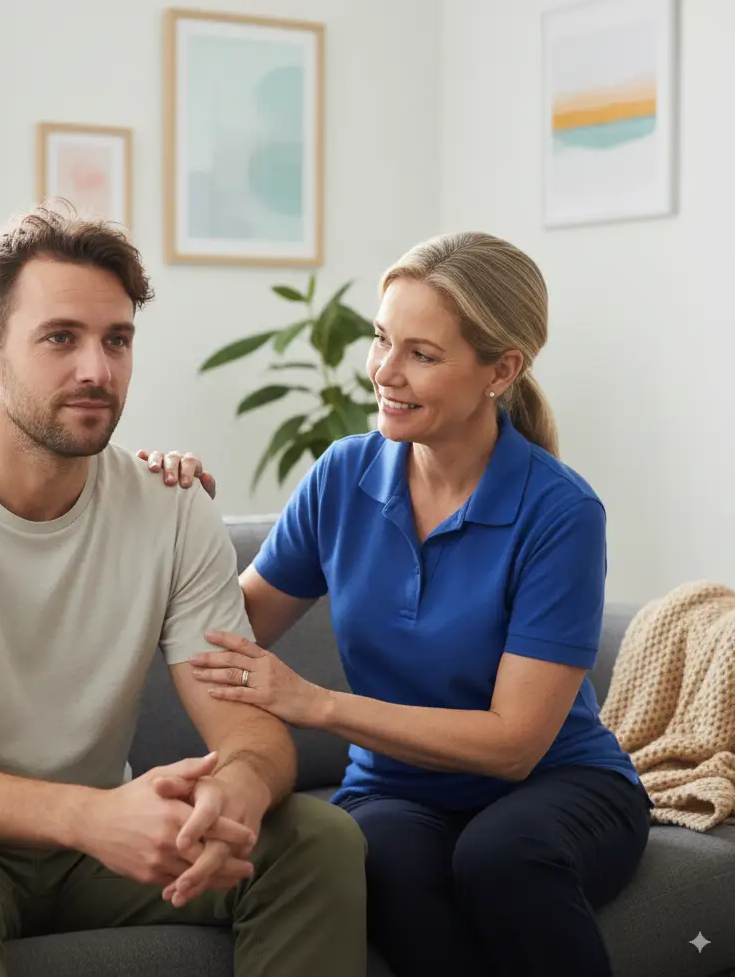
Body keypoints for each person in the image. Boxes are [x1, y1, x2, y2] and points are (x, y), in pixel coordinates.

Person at [0, 203, 367, 977]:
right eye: (60, 338)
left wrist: (236, 789)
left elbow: (253, 735)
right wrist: (92, 816)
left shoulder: (171, 510)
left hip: (90, 853)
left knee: (314, 838)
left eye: (117, 340)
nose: (96, 369)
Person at [140, 232, 652, 977]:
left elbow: (514, 745)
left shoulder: (560, 512)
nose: (384, 371)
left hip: (559, 785)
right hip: (396, 793)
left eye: (422, 353)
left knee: (501, 858)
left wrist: (318, 705)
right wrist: (160, 513)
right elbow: (222, 631)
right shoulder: (343, 476)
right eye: (382, 339)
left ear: (500, 370)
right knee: (379, 860)